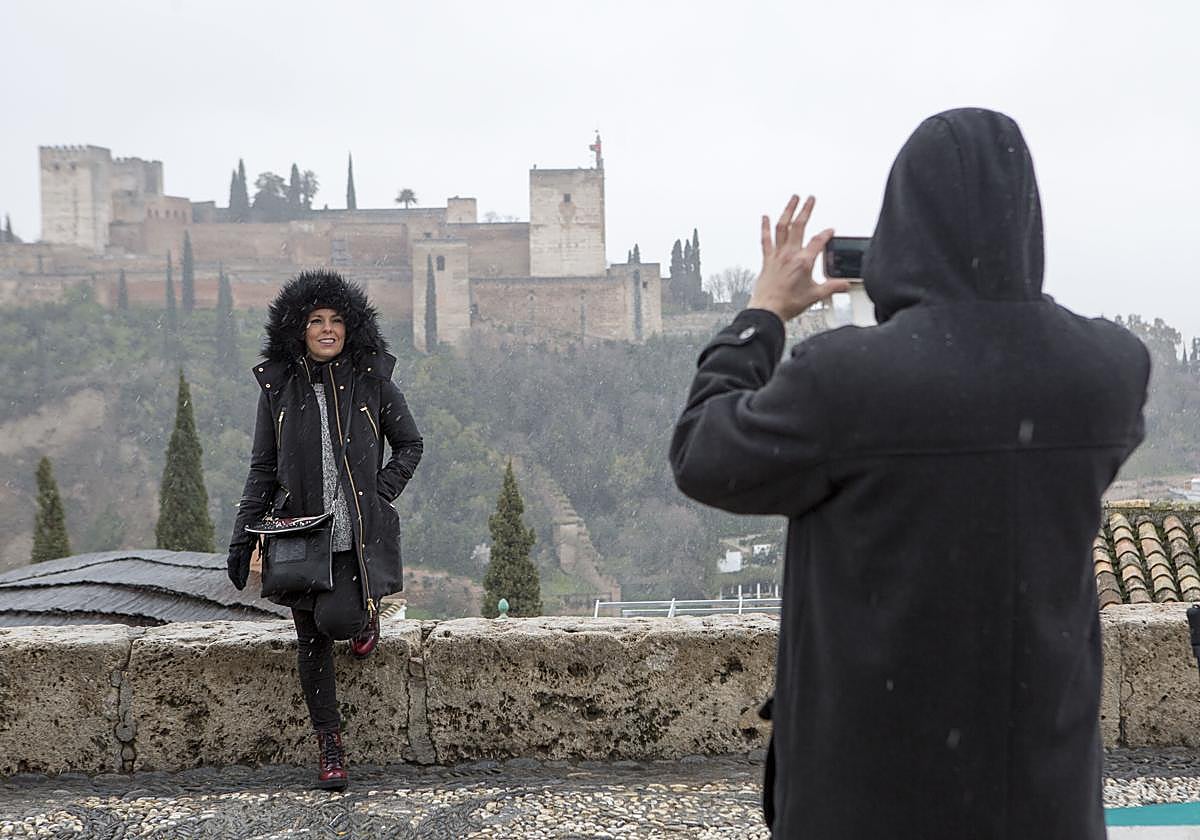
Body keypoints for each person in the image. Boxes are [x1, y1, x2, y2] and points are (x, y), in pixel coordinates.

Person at [670, 108, 1149, 838]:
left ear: (902, 228)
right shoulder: (1108, 374)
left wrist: (763, 313)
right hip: (1045, 802)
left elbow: (704, 454)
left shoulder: (848, 382)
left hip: (869, 800)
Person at [226, 269, 422, 791]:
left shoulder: (372, 379)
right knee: (309, 640)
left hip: (353, 535)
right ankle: (330, 746)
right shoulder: (278, 387)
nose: (327, 329)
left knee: (338, 621)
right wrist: (244, 535)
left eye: (336, 320)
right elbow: (263, 467)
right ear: (300, 329)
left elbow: (410, 445)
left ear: (350, 326)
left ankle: (364, 619)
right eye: (316, 321)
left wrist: (379, 493)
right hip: (298, 533)